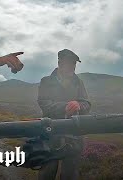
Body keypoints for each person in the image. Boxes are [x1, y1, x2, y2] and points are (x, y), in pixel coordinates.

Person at [37, 49, 91, 180]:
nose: (73, 66)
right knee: (47, 171)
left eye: (74, 64)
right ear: (60, 62)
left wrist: (79, 105)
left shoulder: (78, 82)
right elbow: (44, 103)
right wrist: (65, 107)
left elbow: (87, 104)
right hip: (51, 132)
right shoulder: (46, 81)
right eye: (70, 63)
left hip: (74, 134)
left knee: (70, 174)